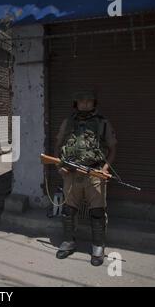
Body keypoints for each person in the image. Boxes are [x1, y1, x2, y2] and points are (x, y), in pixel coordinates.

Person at [54, 91, 117, 266]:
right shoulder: (68, 123)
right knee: (68, 210)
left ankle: (98, 247)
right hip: (71, 174)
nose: (85, 105)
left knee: (97, 211)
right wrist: (59, 166)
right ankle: (68, 242)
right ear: (76, 104)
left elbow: (112, 149)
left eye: (89, 102)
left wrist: (104, 169)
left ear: (94, 103)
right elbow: (58, 146)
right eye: (82, 102)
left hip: (94, 173)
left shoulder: (103, 123)